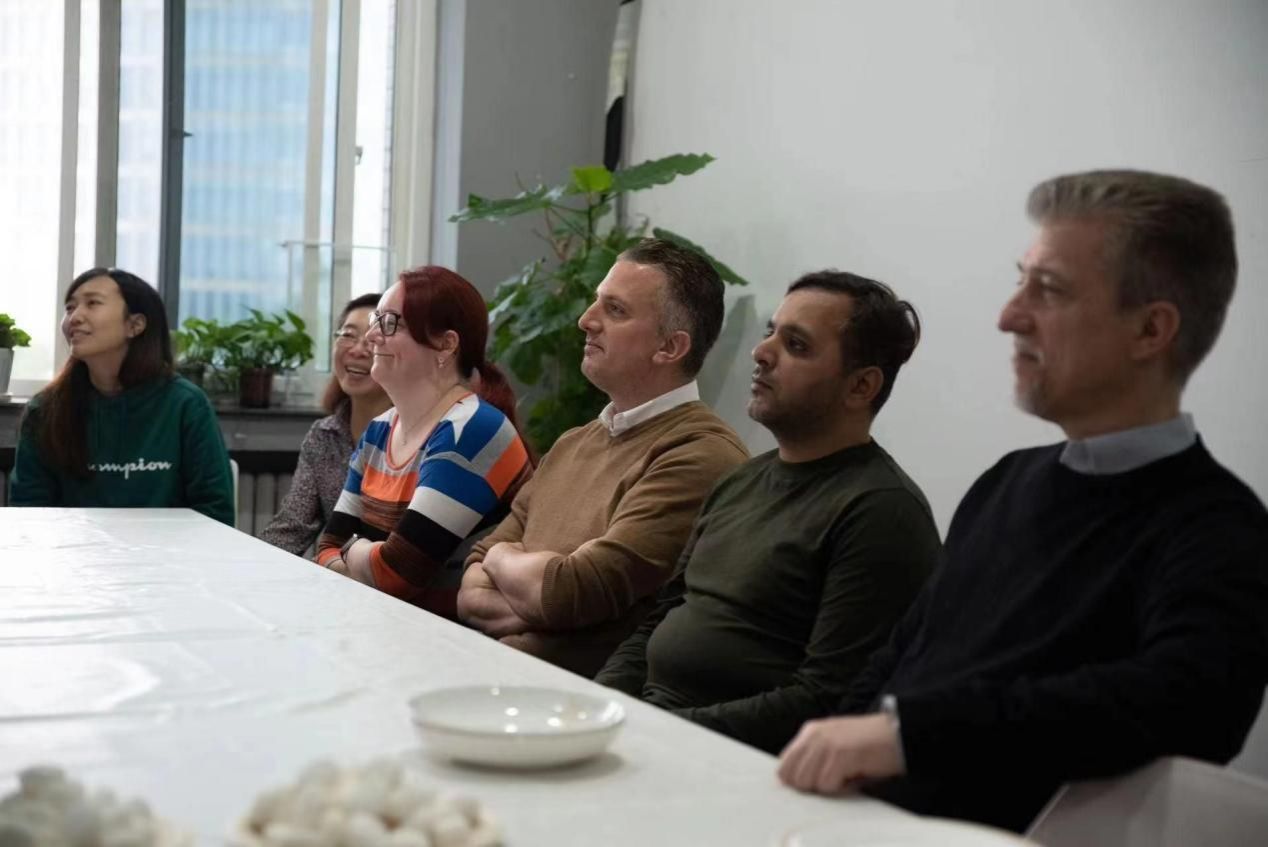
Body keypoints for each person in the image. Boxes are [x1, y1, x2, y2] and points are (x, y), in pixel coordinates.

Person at [777, 170, 1268, 833]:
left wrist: (907, 734)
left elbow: (1186, 703)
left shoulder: (1218, 528)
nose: (1008, 316)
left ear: (1150, 330)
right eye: (1020, 282)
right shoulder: (1005, 482)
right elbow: (902, 656)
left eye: (1050, 290)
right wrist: (829, 761)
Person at [596, 271, 941, 754]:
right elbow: (660, 620)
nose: (762, 353)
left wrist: (659, 733)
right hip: (653, 732)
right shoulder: (741, 481)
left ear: (861, 386)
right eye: (770, 333)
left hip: (737, 762)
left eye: (796, 345)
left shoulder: (881, 512)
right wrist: (603, 706)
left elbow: (826, 701)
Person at [457, 238, 749, 677]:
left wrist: (504, 562)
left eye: (615, 310)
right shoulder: (573, 443)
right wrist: (531, 585)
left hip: (585, 701)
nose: (585, 320)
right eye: (597, 302)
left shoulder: (700, 454)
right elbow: (472, 579)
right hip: (495, 677)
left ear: (670, 347)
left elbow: (572, 593)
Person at [315, 266, 533, 619]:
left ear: (446, 345)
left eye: (390, 323)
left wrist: (352, 551)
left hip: (458, 637)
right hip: (389, 622)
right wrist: (360, 561)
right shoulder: (379, 431)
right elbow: (326, 546)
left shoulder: (472, 429)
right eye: (376, 320)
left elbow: (397, 575)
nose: (372, 336)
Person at [11, 267, 233, 525]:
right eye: (70, 307)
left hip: (168, 550)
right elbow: (29, 512)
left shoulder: (185, 404)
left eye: (92, 303)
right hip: (74, 550)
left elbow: (215, 511)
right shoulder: (45, 410)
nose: (74, 317)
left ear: (135, 325)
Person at [260, 294, 392, 556]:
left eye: (372, 340)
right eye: (348, 335)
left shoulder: (416, 437)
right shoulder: (324, 436)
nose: (357, 350)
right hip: (334, 572)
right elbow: (291, 528)